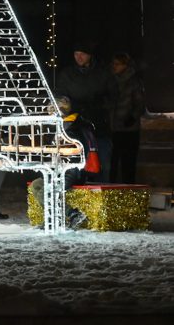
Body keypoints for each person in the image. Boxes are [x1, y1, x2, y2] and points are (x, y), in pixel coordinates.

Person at [29, 96, 99, 229]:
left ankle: (73, 214)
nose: (49, 113)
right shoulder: (62, 125)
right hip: (60, 170)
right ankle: (54, 218)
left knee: (47, 191)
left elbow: (74, 153)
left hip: (73, 170)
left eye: (51, 110)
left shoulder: (72, 127)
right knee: (36, 185)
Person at [56, 42, 117, 181]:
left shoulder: (102, 73)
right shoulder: (67, 74)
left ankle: (101, 196)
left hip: (99, 125)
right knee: (78, 166)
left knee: (103, 164)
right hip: (75, 127)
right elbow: (61, 97)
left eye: (82, 54)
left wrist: (99, 105)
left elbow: (113, 95)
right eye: (76, 54)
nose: (79, 57)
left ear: (90, 55)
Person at [109, 53, 144, 183]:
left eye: (117, 64)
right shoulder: (112, 80)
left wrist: (132, 118)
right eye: (113, 64)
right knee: (114, 161)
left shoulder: (133, 82)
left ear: (125, 65)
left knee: (128, 161)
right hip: (114, 127)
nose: (114, 66)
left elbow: (139, 104)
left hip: (129, 129)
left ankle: (128, 186)